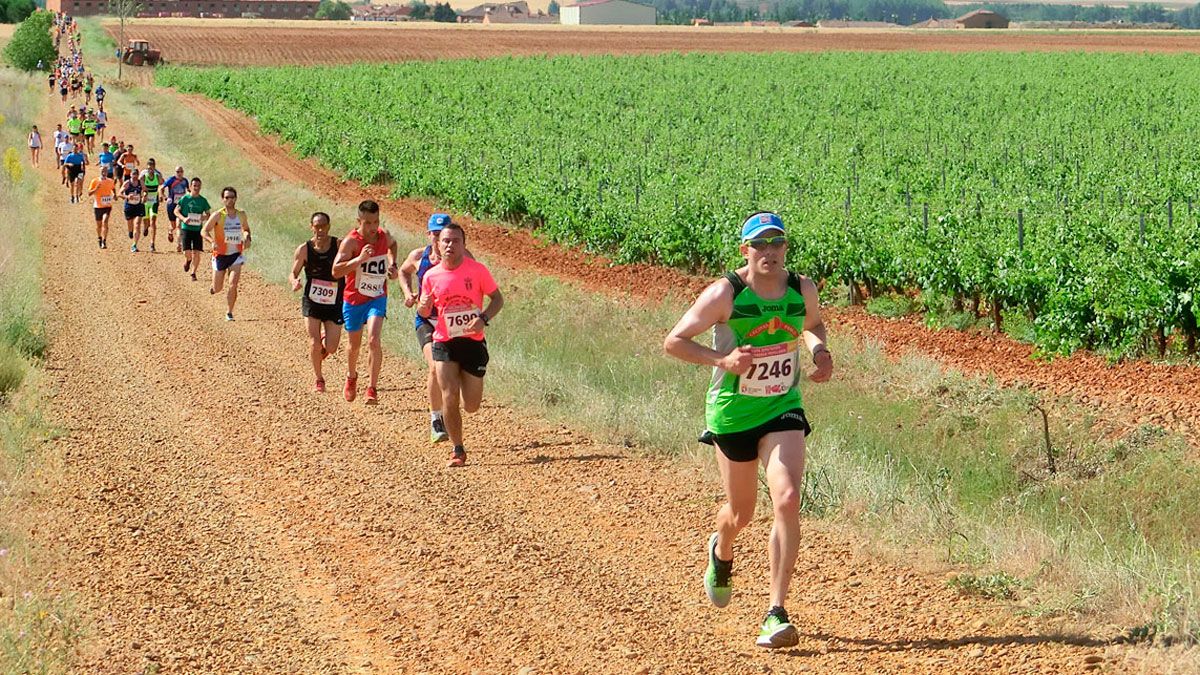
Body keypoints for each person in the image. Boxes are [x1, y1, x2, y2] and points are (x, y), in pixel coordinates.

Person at [662, 212, 833, 650]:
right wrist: (721, 361)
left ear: (785, 248)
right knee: (741, 513)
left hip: (782, 407)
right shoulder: (726, 293)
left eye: (776, 243)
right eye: (760, 245)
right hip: (733, 415)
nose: (769, 252)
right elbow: (674, 341)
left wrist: (820, 352)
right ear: (745, 251)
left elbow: (811, 324)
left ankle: (775, 612)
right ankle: (721, 549)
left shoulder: (802, 288)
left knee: (788, 497)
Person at [417, 222, 503, 468]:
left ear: (464, 245)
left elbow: (498, 299)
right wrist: (423, 305)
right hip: (444, 341)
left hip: (473, 342)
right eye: (445, 241)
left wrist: (483, 319)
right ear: (438, 244)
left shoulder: (477, 270)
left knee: (472, 405)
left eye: (455, 241)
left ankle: (462, 423)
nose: (449, 245)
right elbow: (424, 310)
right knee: (449, 394)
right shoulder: (431, 276)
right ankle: (458, 450)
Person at [400, 213, 467, 443]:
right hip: (427, 321)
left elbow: (474, 277)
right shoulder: (419, 256)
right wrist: (409, 294)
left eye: (443, 234)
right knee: (434, 367)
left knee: (455, 374)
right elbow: (403, 271)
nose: (440, 239)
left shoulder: (463, 256)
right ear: (429, 234)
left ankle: (449, 411)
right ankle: (436, 419)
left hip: (452, 324)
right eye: (435, 234)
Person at [332, 200, 398, 405]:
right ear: (358, 221)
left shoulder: (383, 235)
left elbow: (393, 244)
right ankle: (351, 377)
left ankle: (372, 388)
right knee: (354, 346)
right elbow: (335, 271)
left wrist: (393, 264)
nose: (372, 228)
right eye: (368, 223)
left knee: (374, 339)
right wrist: (358, 260)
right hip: (353, 299)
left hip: (377, 296)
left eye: (376, 222)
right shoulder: (350, 242)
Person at [290, 212, 344, 393]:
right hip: (312, 302)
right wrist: (294, 282)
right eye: (316, 226)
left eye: (323, 226)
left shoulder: (338, 245)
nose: (320, 230)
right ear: (311, 227)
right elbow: (293, 272)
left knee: (332, 347)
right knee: (313, 343)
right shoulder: (304, 249)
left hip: (335, 302)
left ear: (328, 227)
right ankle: (319, 378)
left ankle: (323, 342)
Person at [202, 186, 252, 321]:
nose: (229, 200)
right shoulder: (218, 215)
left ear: (236, 198)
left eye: (232, 197)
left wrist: (247, 237)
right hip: (220, 255)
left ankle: (229, 312)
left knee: (233, 284)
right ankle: (213, 288)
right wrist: (211, 241)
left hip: (235, 254)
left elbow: (246, 229)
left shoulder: (241, 214)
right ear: (223, 199)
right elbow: (204, 231)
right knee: (218, 288)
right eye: (226, 197)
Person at [174, 177, 209, 281]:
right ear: (190, 187)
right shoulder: (185, 199)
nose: (196, 188)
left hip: (198, 229)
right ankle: (188, 260)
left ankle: (193, 273)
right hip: (186, 228)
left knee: (197, 252)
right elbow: (176, 211)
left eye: (198, 186)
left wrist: (203, 217)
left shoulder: (203, 200)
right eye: (194, 185)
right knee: (187, 252)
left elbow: (208, 214)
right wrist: (184, 219)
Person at [87, 167, 116, 249]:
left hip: (107, 205)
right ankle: (99, 238)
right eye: (102, 171)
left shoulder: (110, 181)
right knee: (99, 225)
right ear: (100, 172)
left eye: (105, 171)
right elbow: (89, 193)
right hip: (98, 206)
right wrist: (96, 189)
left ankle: (104, 240)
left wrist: (114, 195)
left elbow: (113, 188)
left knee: (105, 221)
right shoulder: (95, 181)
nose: (104, 172)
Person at [161, 166, 189, 250]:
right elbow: (161, 188)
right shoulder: (171, 180)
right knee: (173, 225)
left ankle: (179, 244)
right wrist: (163, 196)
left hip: (181, 206)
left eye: (181, 171)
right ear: (175, 172)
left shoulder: (185, 181)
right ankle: (170, 231)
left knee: (178, 225)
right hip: (171, 205)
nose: (179, 173)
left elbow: (189, 190)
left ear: (183, 172)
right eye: (177, 172)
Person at [140, 159, 164, 252]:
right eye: (149, 167)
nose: (150, 169)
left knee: (153, 221)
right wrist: (144, 194)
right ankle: (146, 227)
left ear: (154, 167)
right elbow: (142, 187)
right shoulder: (143, 176)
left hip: (154, 201)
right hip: (146, 202)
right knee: (146, 221)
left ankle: (152, 243)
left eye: (152, 167)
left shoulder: (157, 176)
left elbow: (162, 184)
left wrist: (161, 194)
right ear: (147, 167)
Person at [119, 169, 145, 252]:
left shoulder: (140, 182)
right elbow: (119, 193)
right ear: (130, 175)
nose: (134, 176)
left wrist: (144, 196)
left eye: (136, 174)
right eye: (133, 174)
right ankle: (130, 231)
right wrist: (127, 197)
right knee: (130, 224)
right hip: (129, 206)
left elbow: (145, 191)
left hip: (139, 206)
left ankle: (134, 245)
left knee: (137, 225)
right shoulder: (127, 183)